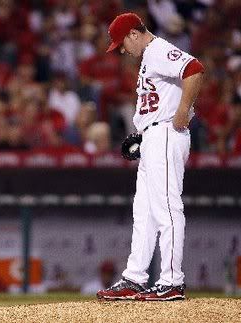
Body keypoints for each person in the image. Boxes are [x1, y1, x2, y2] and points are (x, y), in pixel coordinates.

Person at [97, 13, 204, 301]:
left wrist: (183, 111)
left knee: (167, 208)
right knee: (143, 212)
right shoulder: (149, 57)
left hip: (167, 134)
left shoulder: (157, 50)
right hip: (153, 137)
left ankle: (172, 281)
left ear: (134, 33)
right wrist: (143, 132)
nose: (121, 49)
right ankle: (134, 277)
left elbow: (194, 68)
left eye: (122, 42)